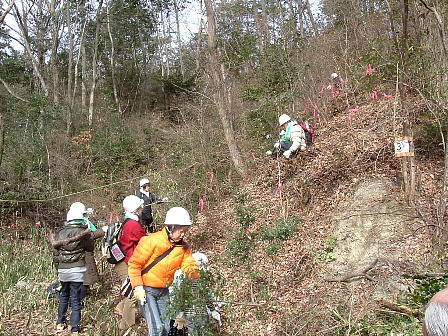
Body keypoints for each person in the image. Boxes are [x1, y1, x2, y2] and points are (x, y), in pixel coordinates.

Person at [128, 207, 200, 336]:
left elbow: (189, 265)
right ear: (170, 227)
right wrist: (138, 287)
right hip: (147, 290)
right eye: (181, 231)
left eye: (185, 231)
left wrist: (196, 274)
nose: (183, 234)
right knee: (156, 328)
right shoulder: (151, 241)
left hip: (164, 290)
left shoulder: (183, 248)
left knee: (166, 328)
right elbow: (134, 264)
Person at [49, 204, 95, 336]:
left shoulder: (59, 233)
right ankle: (74, 328)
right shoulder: (84, 233)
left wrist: (59, 267)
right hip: (78, 268)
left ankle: (60, 322)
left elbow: (56, 254)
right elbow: (90, 248)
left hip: (63, 269)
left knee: (64, 295)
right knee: (75, 297)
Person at [114, 194, 147, 331]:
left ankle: (120, 307)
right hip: (128, 262)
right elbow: (145, 240)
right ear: (135, 209)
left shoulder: (128, 222)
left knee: (131, 289)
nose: (142, 209)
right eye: (140, 207)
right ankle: (126, 325)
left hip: (125, 260)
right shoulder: (133, 224)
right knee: (133, 293)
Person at [169, 252, 216, 336]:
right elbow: (207, 296)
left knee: (195, 332)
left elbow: (180, 297)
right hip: (197, 313)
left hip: (192, 313)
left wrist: (180, 312)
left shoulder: (185, 280)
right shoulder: (198, 280)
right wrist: (212, 310)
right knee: (200, 331)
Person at [69, 202, 105, 304]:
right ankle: (77, 302)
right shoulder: (78, 227)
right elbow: (89, 236)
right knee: (84, 280)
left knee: (82, 280)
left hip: (76, 260)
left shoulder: (69, 227)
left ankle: (77, 300)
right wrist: (102, 231)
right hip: (83, 257)